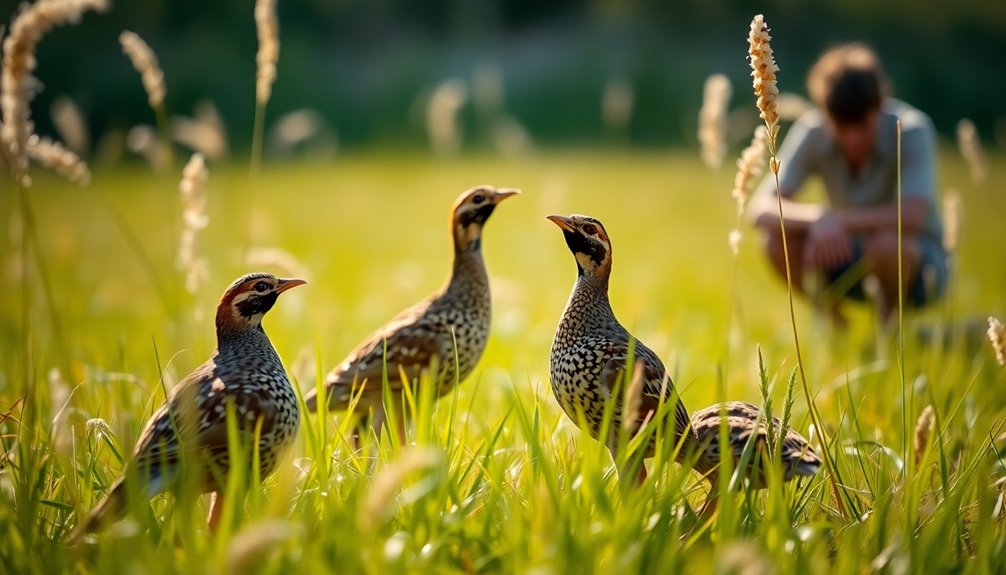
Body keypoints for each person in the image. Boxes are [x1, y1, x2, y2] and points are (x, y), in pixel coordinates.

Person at [751, 43, 946, 325]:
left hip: (918, 268)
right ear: (826, 114)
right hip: (844, 255)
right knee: (775, 240)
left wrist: (838, 221)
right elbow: (759, 208)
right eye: (842, 127)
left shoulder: (912, 129)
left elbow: (914, 215)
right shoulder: (813, 130)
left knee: (886, 244)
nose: (853, 139)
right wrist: (816, 218)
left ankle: (890, 331)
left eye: (862, 125)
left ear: (880, 106)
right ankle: (834, 324)